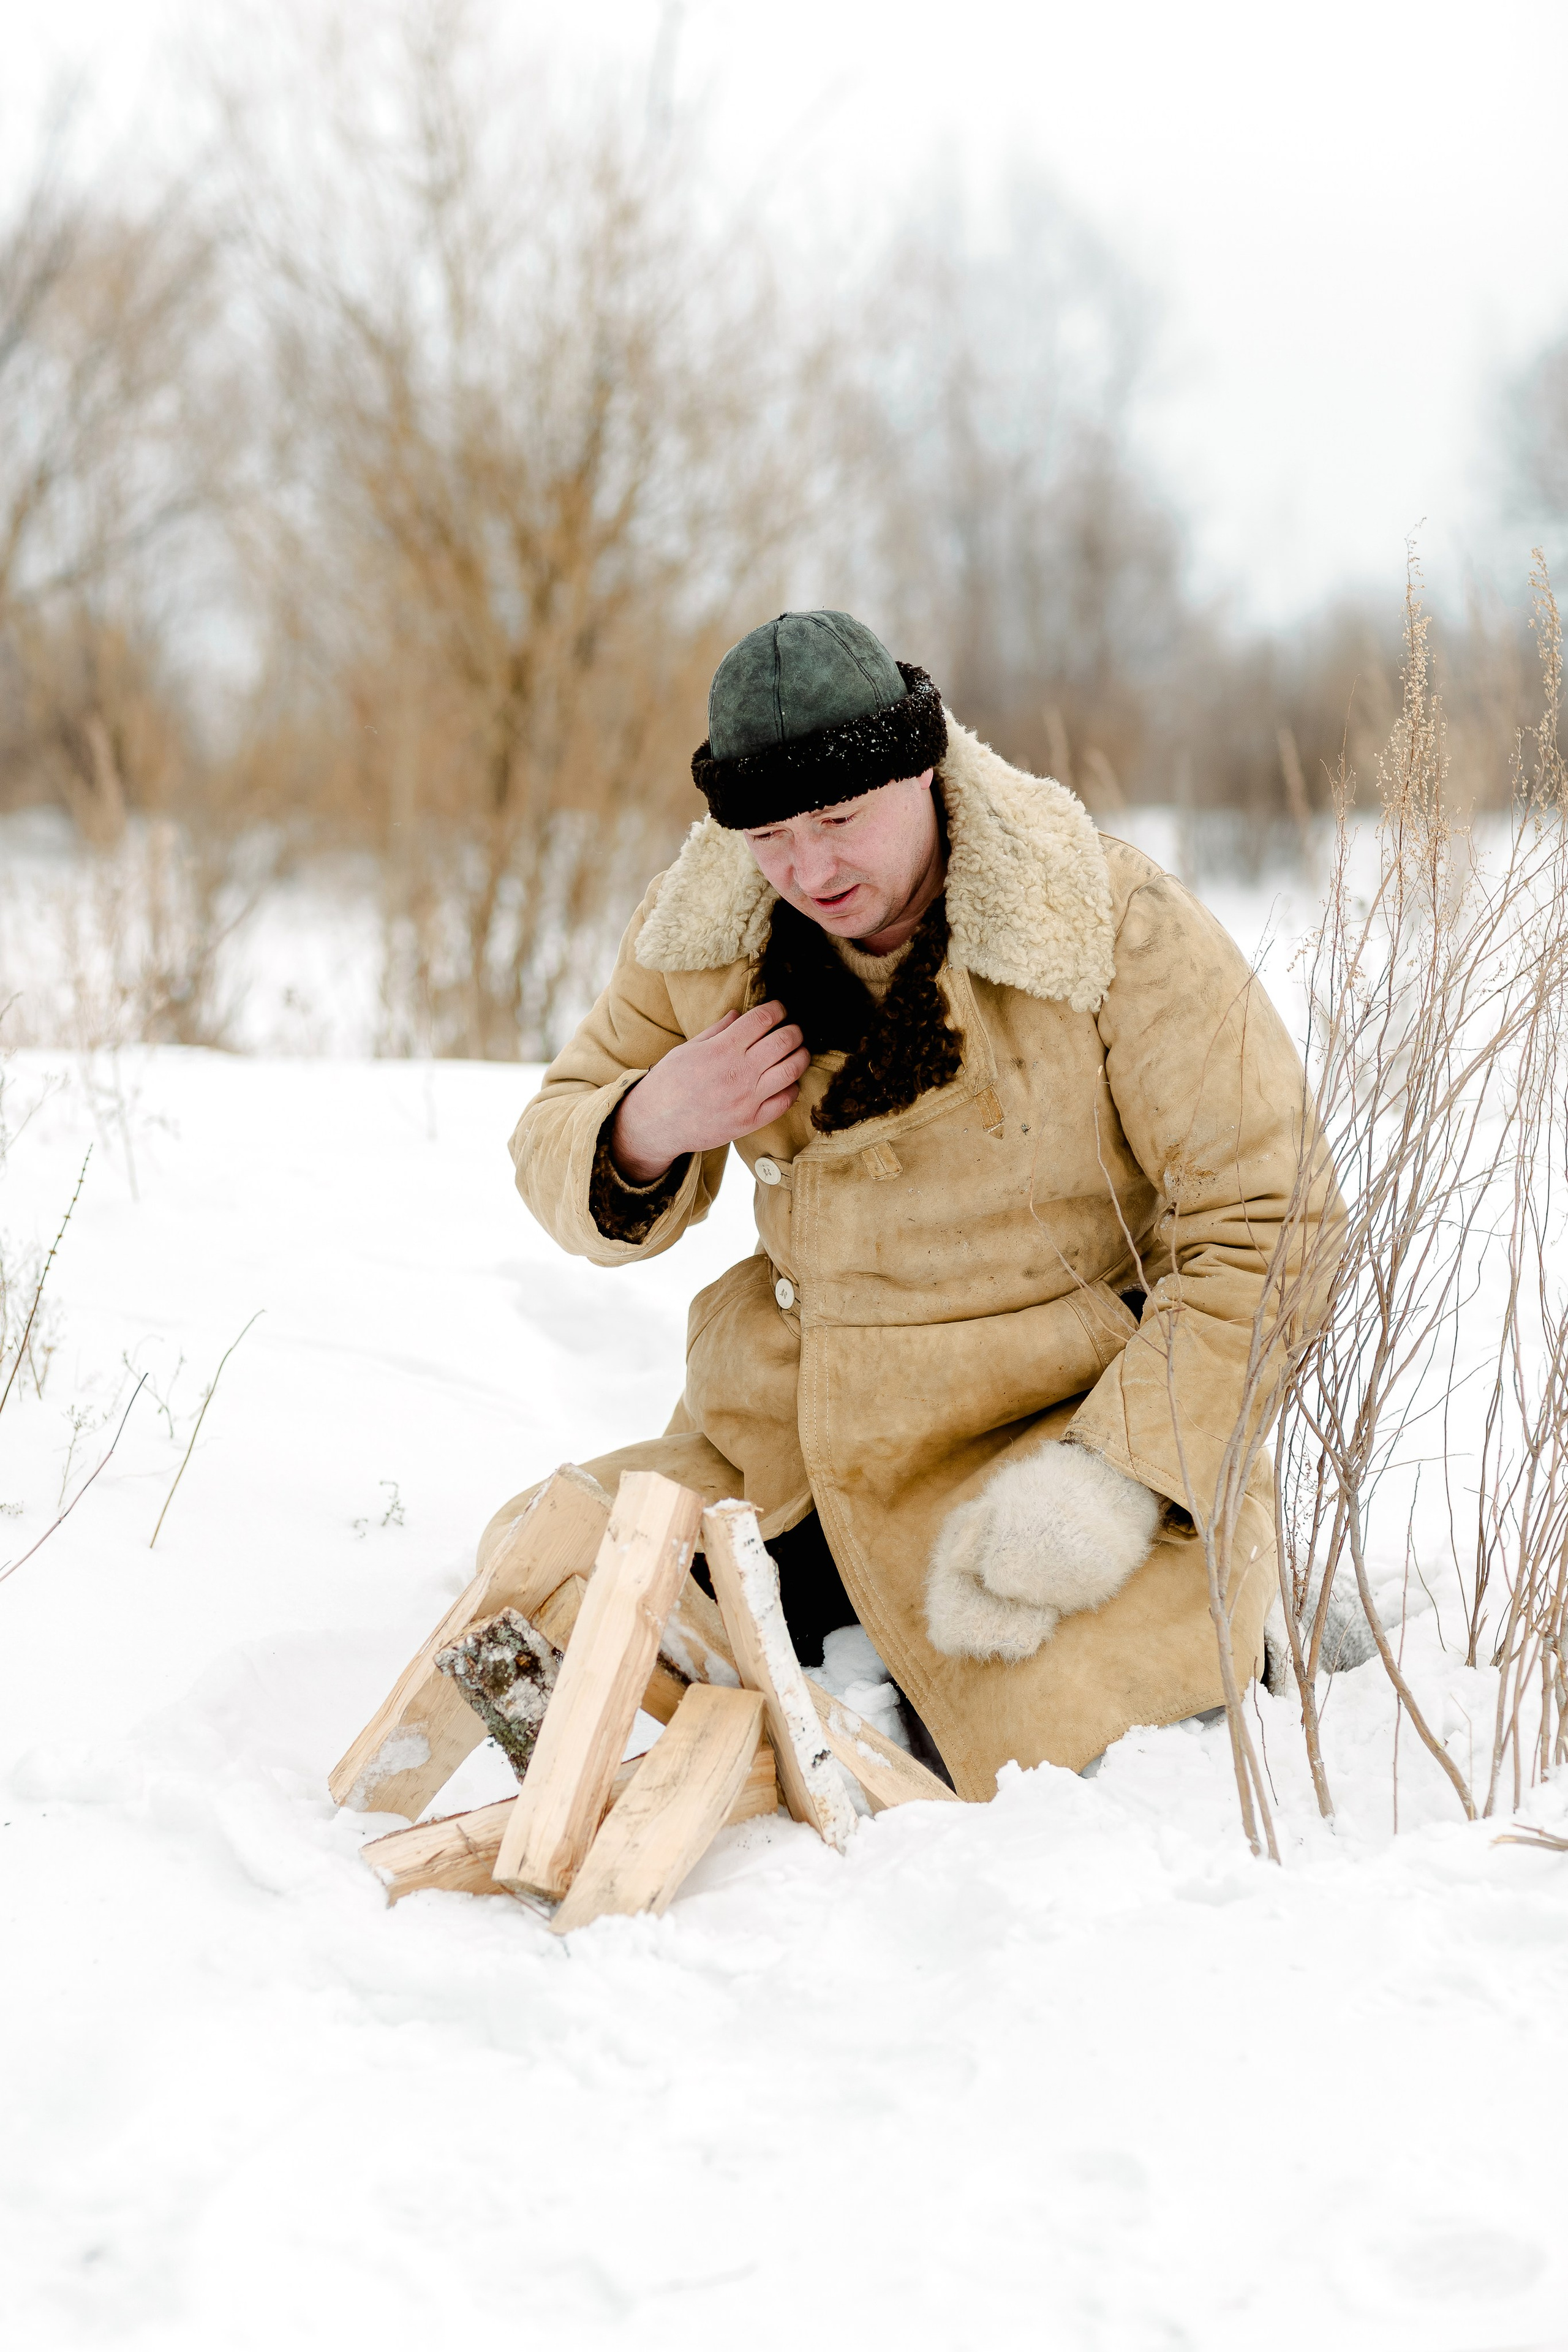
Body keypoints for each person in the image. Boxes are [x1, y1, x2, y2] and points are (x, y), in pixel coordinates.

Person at [480, 610, 1335, 1801]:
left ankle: (1206, 1616)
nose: (809, 870)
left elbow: (1270, 1219)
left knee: (1026, 1731)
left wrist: (1116, 1477)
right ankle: (695, 1726)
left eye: (838, 820)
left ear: (919, 767)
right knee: (535, 1576)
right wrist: (648, 1121)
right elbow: (548, 1139)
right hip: (790, 1439)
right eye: (769, 835)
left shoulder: (1106, 919)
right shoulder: (699, 937)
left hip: (1043, 1441)